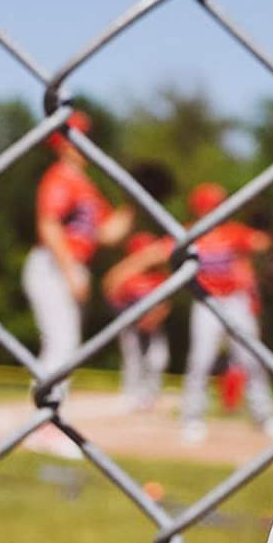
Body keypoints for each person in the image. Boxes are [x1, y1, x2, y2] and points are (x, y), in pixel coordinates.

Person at [21, 109, 132, 394]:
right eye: (82, 137)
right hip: (54, 266)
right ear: (65, 142)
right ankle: (46, 420)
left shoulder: (86, 186)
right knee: (61, 343)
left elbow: (108, 234)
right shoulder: (60, 177)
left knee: (66, 344)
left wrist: (134, 202)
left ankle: (48, 417)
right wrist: (69, 271)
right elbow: (49, 225)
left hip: (67, 266)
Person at [180, 182, 273, 446]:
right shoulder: (189, 233)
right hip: (206, 301)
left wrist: (263, 219)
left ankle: (264, 416)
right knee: (201, 359)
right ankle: (192, 418)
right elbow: (165, 252)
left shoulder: (232, 232)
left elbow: (261, 243)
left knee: (251, 358)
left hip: (235, 300)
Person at [102, 161, 176, 411]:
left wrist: (162, 306)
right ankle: (132, 394)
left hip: (152, 298)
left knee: (157, 356)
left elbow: (165, 262)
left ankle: (149, 395)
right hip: (129, 300)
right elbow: (109, 240)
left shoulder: (160, 224)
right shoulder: (128, 220)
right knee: (132, 352)